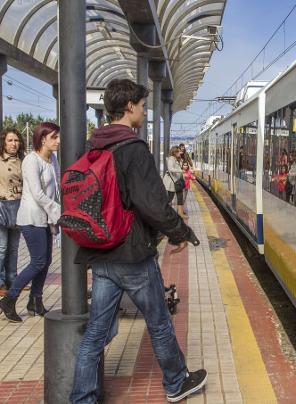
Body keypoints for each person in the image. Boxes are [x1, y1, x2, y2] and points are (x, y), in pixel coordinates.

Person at [70, 79, 206, 403]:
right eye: (143, 106)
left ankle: (81, 399)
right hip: (132, 254)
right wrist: (181, 232)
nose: (145, 112)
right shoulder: (133, 148)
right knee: (159, 323)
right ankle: (176, 382)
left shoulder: (93, 146)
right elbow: (153, 204)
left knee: (94, 335)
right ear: (129, 106)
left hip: (101, 253)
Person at [0, 122, 61, 322]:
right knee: (38, 261)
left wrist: (55, 215)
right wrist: (58, 211)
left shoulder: (52, 158)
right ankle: (10, 298)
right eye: (54, 137)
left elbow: (57, 189)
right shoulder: (31, 161)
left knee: (46, 261)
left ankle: (35, 301)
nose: (58, 141)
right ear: (43, 139)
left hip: (46, 218)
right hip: (31, 217)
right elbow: (37, 193)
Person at [0, 128, 25, 296]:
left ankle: (13, 279)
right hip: (2, 206)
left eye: (16, 140)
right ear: (3, 142)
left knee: (14, 247)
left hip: (18, 206)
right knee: (2, 247)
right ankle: (1, 282)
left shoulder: (23, 161)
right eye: (10, 140)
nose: (14, 144)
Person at [163, 146, 187, 219]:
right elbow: (170, 169)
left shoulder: (176, 159)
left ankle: (180, 213)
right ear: (175, 152)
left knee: (180, 197)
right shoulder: (171, 159)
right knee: (170, 198)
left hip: (177, 181)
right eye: (179, 151)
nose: (180, 152)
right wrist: (181, 171)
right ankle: (163, 213)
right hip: (172, 182)